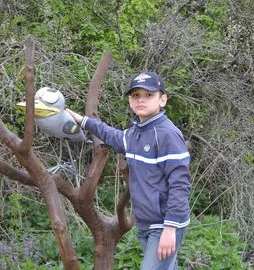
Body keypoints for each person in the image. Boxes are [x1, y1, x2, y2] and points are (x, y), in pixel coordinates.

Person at [66, 71, 191, 270]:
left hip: (164, 225)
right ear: (130, 101)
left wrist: (170, 228)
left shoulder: (168, 134)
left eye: (149, 95)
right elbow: (112, 135)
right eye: (136, 95)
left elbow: (180, 185)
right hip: (145, 223)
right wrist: (82, 120)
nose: (141, 100)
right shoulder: (134, 134)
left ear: (163, 99)